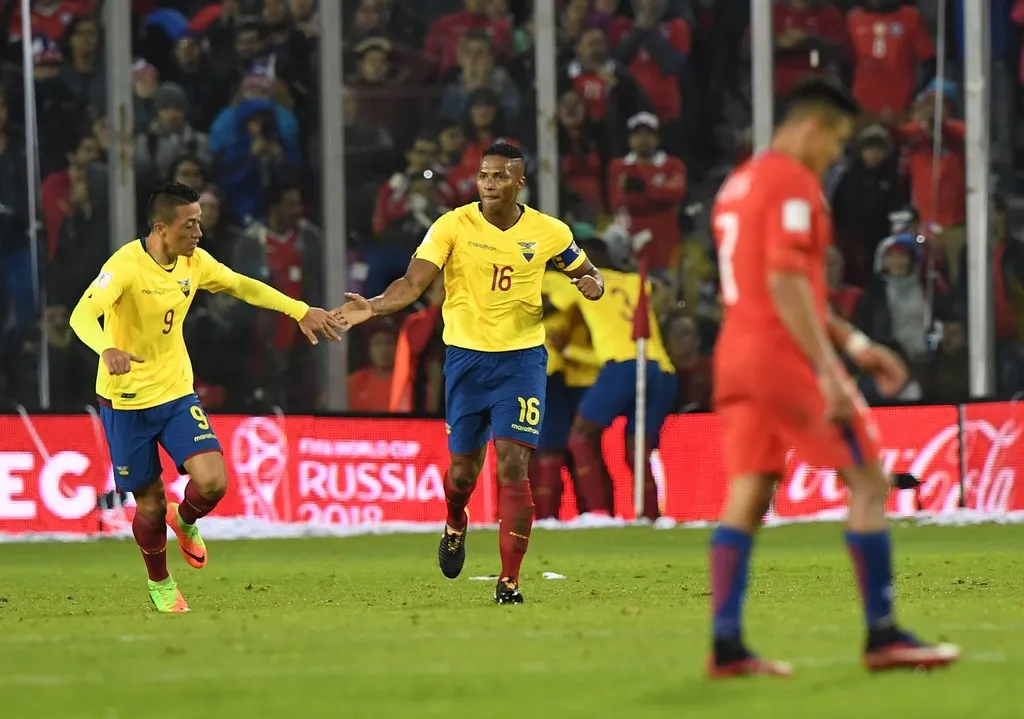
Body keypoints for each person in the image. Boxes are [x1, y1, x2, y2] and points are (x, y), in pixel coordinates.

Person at [708, 77, 960, 677]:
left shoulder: (736, 186)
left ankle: (727, 647)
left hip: (736, 352)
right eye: (837, 143)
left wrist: (857, 343)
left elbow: (773, 285)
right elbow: (787, 282)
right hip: (780, 356)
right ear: (813, 128)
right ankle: (883, 635)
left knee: (748, 492)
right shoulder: (792, 183)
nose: (834, 157)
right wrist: (828, 369)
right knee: (871, 479)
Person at [332, 142, 605, 604]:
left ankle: (509, 581)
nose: (490, 183)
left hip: (521, 362)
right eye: (484, 175)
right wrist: (374, 307)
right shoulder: (452, 225)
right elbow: (414, 282)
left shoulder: (549, 231)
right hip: (465, 362)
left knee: (514, 463)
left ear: (520, 182)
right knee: (462, 472)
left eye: (500, 176)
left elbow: (588, 272)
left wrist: (590, 284)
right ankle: (455, 519)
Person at [68, 182, 341, 613]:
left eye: (199, 222)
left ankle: (187, 519)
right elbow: (81, 314)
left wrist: (300, 309)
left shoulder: (195, 262)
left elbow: (241, 285)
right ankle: (160, 583)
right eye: (190, 224)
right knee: (151, 505)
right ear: (161, 228)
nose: (199, 231)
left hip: (176, 392)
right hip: (125, 401)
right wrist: (107, 348)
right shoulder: (124, 265)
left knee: (213, 482)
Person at [557, 238, 677, 522]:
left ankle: (599, 513)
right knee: (637, 449)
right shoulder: (635, 280)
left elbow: (550, 307)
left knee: (581, 437)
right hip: (662, 368)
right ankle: (649, 517)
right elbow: (664, 295)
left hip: (623, 366)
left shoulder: (578, 280)